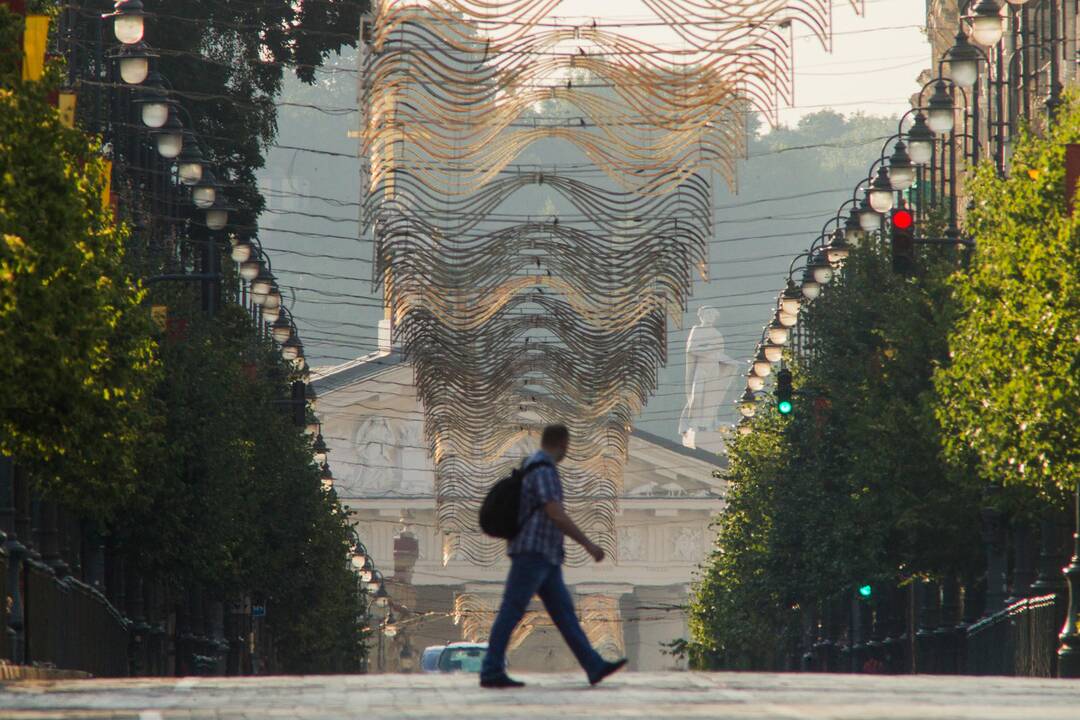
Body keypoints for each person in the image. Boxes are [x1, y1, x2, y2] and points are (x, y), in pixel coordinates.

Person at [479, 423, 628, 688]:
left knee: (565, 614)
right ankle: (491, 669)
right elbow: (555, 512)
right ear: (561, 443)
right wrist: (588, 544)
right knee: (512, 610)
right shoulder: (544, 469)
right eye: (566, 447)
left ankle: (594, 666)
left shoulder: (534, 465)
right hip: (534, 552)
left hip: (545, 555)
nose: (566, 452)